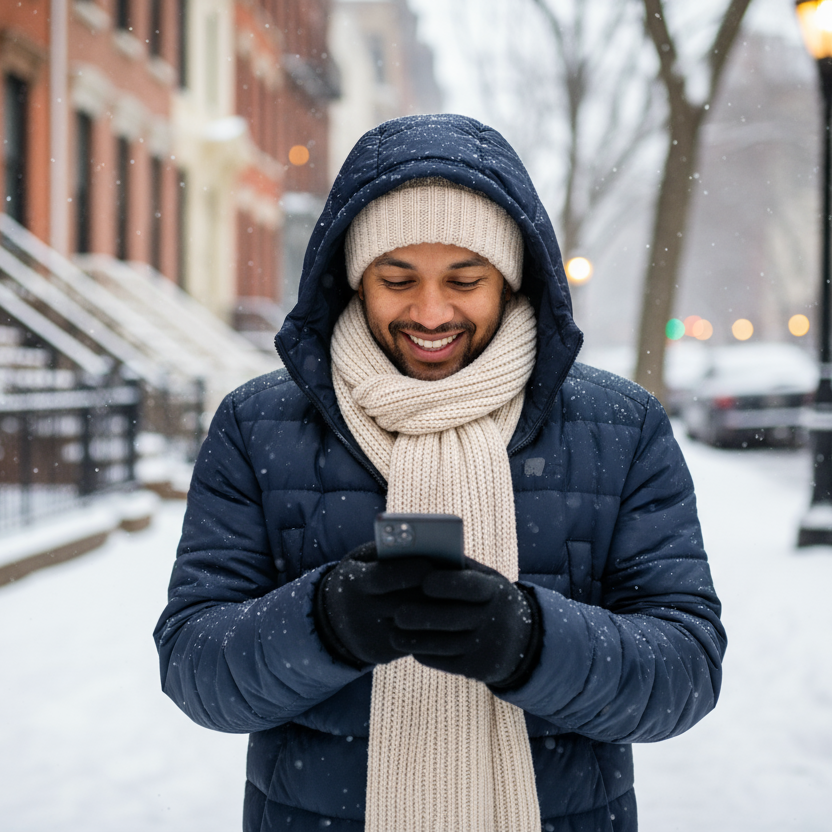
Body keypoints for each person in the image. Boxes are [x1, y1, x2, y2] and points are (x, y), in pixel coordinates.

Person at [154, 114, 726, 832]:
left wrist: (530, 643)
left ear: (511, 281)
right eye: (397, 279)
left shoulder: (621, 429)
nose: (430, 312)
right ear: (357, 279)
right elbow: (193, 666)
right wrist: (324, 621)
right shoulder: (257, 424)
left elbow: (686, 670)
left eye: (465, 279)